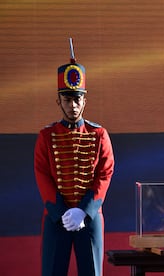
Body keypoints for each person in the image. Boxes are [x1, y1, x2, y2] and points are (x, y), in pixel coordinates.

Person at [34, 38, 115, 276]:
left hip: (88, 218)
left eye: (77, 98)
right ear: (59, 100)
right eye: (67, 99)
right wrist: (61, 212)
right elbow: (43, 176)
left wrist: (85, 210)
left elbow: (105, 173)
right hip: (56, 218)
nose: (73, 105)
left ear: (85, 100)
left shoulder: (98, 134)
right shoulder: (46, 136)